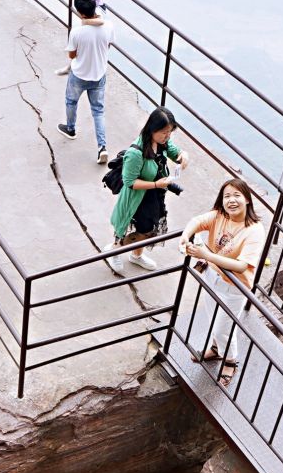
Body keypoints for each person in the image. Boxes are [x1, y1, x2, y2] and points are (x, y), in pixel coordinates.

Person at [180, 178, 266, 384]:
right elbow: (197, 221)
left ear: (247, 199)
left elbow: (241, 266)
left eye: (237, 195)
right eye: (227, 196)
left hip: (235, 286)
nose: (231, 200)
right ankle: (217, 349)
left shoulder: (254, 230)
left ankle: (231, 361)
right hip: (213, 276)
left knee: (222, 328)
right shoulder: (220, 216)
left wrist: (205, 255)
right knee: (213, 319)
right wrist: (185, 236)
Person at [109, 107, 186, 272]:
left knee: (149, 228)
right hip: (136, 196)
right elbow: (130, 182)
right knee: (125, 226)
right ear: (152, 129)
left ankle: (136, 256)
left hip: (154, 194)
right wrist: (157, 184)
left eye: (170, 132)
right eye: (164, 132)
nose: (167, 136)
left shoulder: (161, 142)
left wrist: (183, 156)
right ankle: (115, 250)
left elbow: (174, 152)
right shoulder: (135, 153)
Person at [57, 0, 114, 162]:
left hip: (79, 75)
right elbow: (108, 45)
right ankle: (102, 147)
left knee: (71, 101)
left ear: (81, 13)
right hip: (99, 75)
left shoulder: (76, 32)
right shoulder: (109, 26)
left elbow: (72, 56)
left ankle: (71, 128)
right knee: (98, 111)